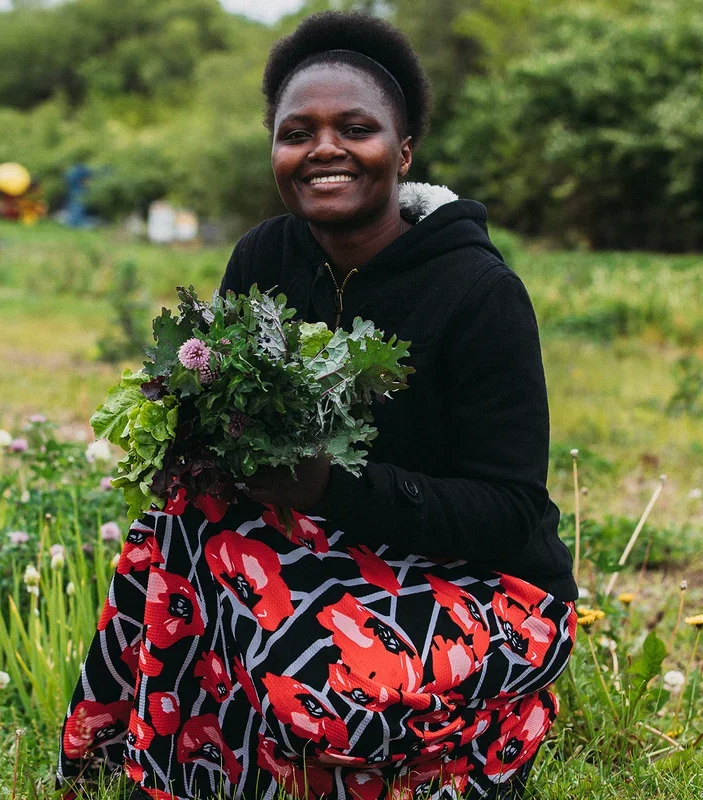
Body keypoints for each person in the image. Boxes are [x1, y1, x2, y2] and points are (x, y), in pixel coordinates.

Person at [60, 12, 578, 800]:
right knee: (180, 526)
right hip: (320, 552)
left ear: (402, 152)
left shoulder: (478, 292)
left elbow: (510, 511)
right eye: (296, 131)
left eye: (356, 127)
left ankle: (485, 735)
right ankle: (167, 767)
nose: (324, 148)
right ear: (274, 150)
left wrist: (334, 490)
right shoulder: (266, 255)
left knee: (329, 689)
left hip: (481, 585)